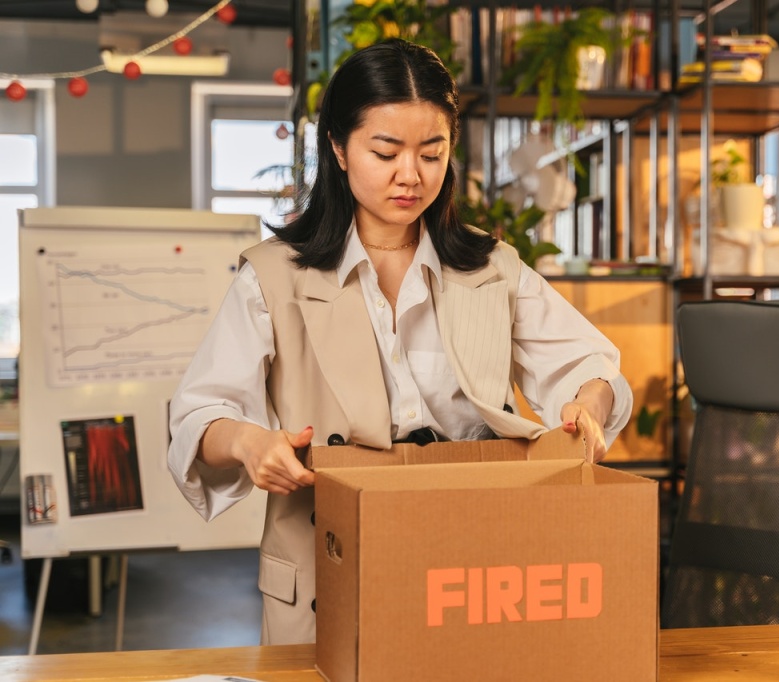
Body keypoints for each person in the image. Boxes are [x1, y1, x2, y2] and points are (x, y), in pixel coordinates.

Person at [167, 39, 632, 646]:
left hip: (479, 557)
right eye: (385, 152)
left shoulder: (491, 267)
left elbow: (588, 366)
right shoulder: (273, 276)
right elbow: (200, 412)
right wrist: (251, 443)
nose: (410, 175)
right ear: (337, 148)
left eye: (431, 154)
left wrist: (586, 406)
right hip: (328, 557)